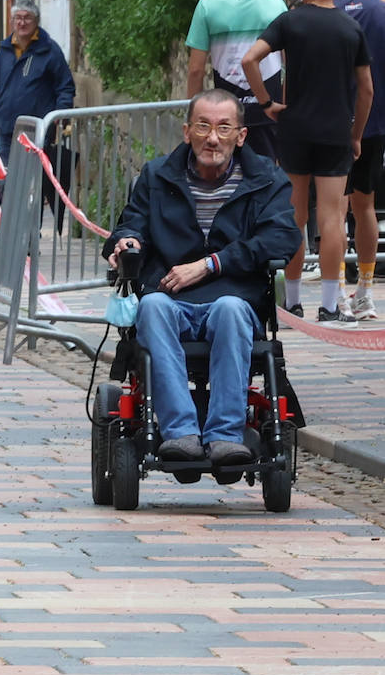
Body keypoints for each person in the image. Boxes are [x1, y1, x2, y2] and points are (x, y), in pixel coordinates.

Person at [103, 90, 299, 467]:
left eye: (224, 128)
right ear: (186, 131)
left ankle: (226, 434)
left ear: (241, 136)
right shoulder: (157, 175)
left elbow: (282, 238)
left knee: (228, 309)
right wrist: (125, 241)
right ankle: (180, 433)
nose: (213, 138)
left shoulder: (267, 179)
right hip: (168, 295)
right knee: (154, 307)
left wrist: (212, 264)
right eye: (204, 126)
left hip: (234, 297)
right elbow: (132, 223)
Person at [244, 0, 373, 324]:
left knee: (295, 214)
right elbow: (366, 89)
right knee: (331, 217)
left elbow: (250, 59)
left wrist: (267, 102)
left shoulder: (290, 21)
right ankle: (331, 304)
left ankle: (294, 300)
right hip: (336, 131)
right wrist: (356, 133)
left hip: (295, 129)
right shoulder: (351, 29)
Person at [185, 0, 287, 161]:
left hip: (223, 118)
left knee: (224, 179)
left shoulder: (207, 7)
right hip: (267, 111)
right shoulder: (276, 5)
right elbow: (289, 62)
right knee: (265, 179)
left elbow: (195, 70)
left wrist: (194, 120)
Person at [334, 0, 385, 320]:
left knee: (333, 208)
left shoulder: (320, 13)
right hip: (375, 120)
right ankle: (365, 291)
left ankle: (334, 291)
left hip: (329, 122)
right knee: (364, 204)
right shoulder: (381, 12)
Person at [0, 0, 74, 166]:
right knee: (1, 179)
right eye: (17, 18)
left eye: (27, 18)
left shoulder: (50, 50)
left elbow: (65, 86)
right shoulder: (4, 50)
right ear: (11, 21)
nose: (22, 22)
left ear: (36, 21)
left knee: (31, 181)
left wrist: (61, 112)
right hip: (5, 129)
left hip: (36, 130)